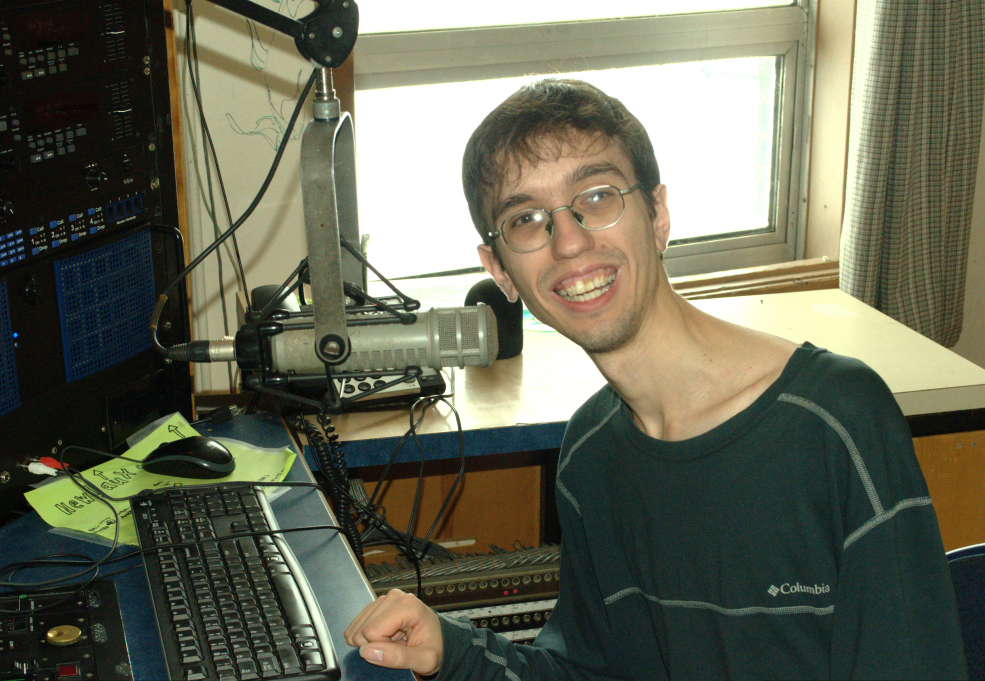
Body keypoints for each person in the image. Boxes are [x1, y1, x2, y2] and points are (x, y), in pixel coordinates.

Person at [344, 78, 968, 680]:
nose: (568, 242)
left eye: (596, 196)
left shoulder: (834, 420)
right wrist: (451, 652)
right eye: (527, 219)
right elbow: (588, 672)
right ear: (500, 272)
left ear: (658, 213)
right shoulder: (589, 455)